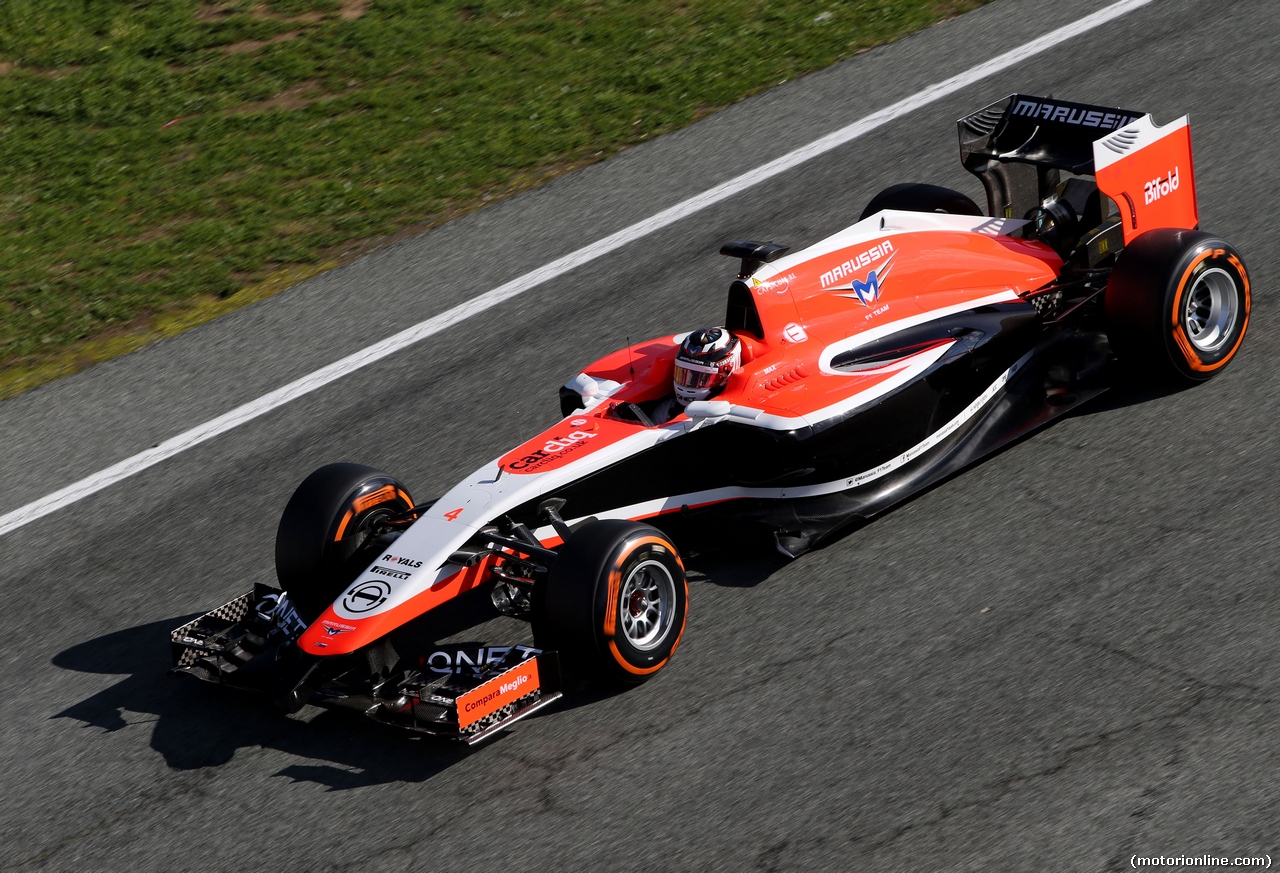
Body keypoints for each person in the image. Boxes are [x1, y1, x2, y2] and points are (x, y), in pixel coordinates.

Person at [651, 327, 742, 422]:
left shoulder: (736, 410)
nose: (688, 383)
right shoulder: (666, 411)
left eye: (702, 378)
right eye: (683, 374)